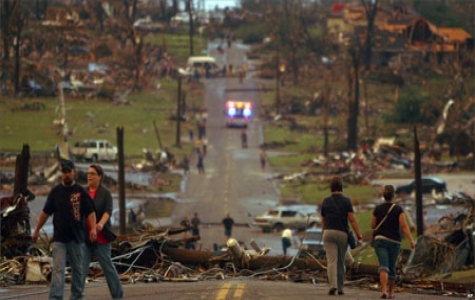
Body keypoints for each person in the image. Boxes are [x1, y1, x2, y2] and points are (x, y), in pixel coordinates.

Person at [31, 159, 97, 300]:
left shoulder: (80, 192)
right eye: (64, 172)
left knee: (78, 270)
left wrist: (93, 230)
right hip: (59, 238)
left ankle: (77, 295)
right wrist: (36, 230)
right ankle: (55, 297)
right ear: (61, 173)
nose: (66, 174)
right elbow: (45, 213)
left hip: (77, 238)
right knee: (58, 270)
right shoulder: (56, 192)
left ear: (74, 172)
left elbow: (91, 212)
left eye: (69, 172)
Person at [82, 164, 124, 299]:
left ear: (99, 176)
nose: (89, 176)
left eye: (92, 174)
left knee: (107, 266)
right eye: (88, 173)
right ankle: (76, 295)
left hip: (101, 237)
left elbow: (108, 212)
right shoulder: (83, 192)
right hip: (85, 236)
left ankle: (118, 295)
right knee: (81, 267)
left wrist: (100, 224)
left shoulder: (105, 194)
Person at [320, 176, 363, 296]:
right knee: (340, 261)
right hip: (342, 233)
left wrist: (324, 231)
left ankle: (332, 286)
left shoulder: (326, 201)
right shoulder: (346, 201)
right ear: (341, 187)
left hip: (328, 232)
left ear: (331, 187)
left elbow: (323, 220)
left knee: (331, 261)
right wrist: (358, 234)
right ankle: (340, 288)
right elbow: (352, 219)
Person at [372, 185, 415, 299]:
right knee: (391, 267)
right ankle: (391, 293)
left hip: (380, 240)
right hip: (394, 242)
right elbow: (404, 225)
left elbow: (373, 225)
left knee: (383, 266)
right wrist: (411, 240)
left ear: (384, 196)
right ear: (394, 196)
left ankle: (383, 291)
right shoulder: (398, 209)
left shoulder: (378, 208)